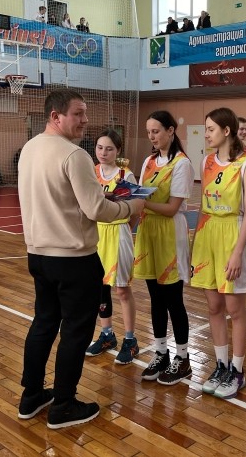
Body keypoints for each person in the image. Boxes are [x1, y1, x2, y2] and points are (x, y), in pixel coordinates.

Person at [17, 89, 143, 429]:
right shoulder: (74, 155)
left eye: (85, 113)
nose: (85, 120)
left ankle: (31, 396)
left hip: (38, 255)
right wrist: (131, 206)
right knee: (75, 331)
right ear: (55, 116)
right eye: (78, 113)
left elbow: (66, 198)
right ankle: (63, 404)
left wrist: (101, 199)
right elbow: (96, 210)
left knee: (43, 323)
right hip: (73, 258)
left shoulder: (29, 149)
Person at [192, 108, 246, 399]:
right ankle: (220, 365)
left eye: (210, 129)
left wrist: (238, 252)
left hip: (233, 233)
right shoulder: (206, 162)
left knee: (235, 308)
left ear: (226, 131)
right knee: (213, 306)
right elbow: (203, 205)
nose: (206, 134)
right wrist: (195, 243)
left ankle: (238, 370)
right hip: (208, 234)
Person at [134, 110, 194, 385]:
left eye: (156, 131)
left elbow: (171, 209)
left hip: (170, 233)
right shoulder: (148, 161)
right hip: (148, 232)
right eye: (149, 132)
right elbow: (139, 195)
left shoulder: (182, 164)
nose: (152, 136)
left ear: (171, 130)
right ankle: (161, 353)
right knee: (155, 298)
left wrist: (142, 203)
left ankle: (183, 358)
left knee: (173, 300)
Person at [85, 129, 140, 365]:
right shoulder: (91, 172)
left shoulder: (126, 175)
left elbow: (136, 209)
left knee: (122, 289)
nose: (103, 152)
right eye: (100, 147)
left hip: (118, 232)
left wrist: (126, 228)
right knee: (100, 288)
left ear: (118, 151)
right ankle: (107, 334)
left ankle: (130, 340)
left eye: (109, 148)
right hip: (96, 233)